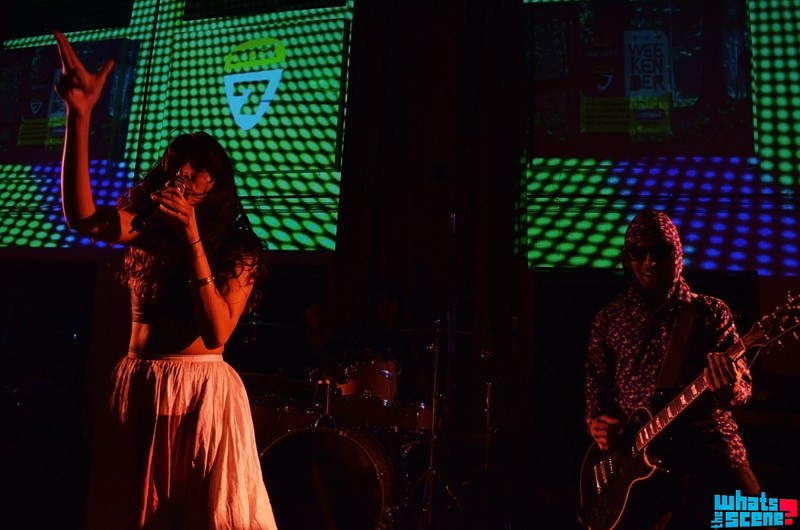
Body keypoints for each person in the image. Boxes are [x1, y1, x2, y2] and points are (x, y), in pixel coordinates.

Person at [53, 31, 278, 529]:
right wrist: (80, 116)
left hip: (194, 386)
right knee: (128, 511)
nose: (184, 171)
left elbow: (217, 332)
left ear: (215, 185)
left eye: (198, 168)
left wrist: (192, 237)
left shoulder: (239, 250)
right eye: (178, 161)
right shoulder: (147, 227)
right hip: (139, 380)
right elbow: (82, 218)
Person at [583, 210, 760, 530]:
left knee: (762, 518)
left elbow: (744, 386)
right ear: (627, 258)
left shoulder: (710, 311)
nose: (649, 261)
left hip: (708, 448)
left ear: (676, 254)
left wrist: (730, 389)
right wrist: (598, 423)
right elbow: (595, 383)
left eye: (660, 251)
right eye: (639, 252)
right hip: (635, 460)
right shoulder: (609, 319)